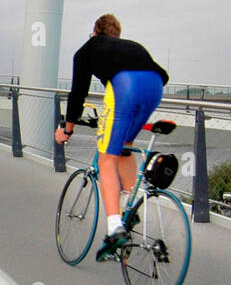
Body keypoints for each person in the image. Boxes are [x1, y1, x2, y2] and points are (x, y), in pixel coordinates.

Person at [54, 14, 169, 260]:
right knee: (124, 146)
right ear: (116, 35)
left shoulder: (88, 49)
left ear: (95, 32)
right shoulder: (130, 46)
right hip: (155, 86)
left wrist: (67, 129)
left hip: (125, 86)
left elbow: (78, 93)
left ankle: (115, 227)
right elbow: (160, 74)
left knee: (107, 158)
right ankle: (130, 204)